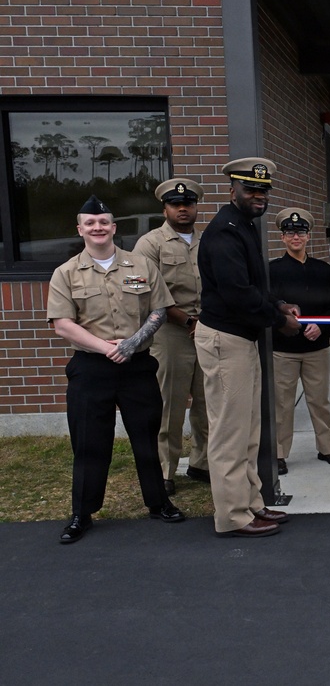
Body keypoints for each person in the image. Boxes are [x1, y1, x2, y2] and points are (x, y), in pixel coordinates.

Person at [47, 195, 185, 544]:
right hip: (91, 369)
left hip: (137, 366)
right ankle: (82, 513)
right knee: (90, 443)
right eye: (90, 223)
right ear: (80, 229)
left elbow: (159, 310)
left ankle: (159, 503)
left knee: (146, 438)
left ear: (114, 227)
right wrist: (107, 348)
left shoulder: (140, 266)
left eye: (104, 222)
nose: (98, 228)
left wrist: (133, 341)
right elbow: (62, 324)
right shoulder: (65, 273)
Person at [195, 157, 301, 538]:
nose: (259, 195)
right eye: (251, 189)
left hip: (242, 338)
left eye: (264, 190)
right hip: (226, 339)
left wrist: (278, 305)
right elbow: (237, 294)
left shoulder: (243, 226)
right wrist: (279, 321)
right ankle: (234, 516)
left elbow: (255, 286)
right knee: (229, 434)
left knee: (249, 431)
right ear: (233, 190)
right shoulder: (224, 232)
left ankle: (252, 502)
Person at [133, 178, 210, 497]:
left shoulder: (209, 242)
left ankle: (202, 463)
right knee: (170, 405)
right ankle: (165, 470)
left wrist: (206, 321)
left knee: (207, 403)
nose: (183, 208)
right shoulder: (149, 244)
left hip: (207, 330)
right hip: (170, 333)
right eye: (176, 204)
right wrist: (188, 320)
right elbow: (144, 291)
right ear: (164, 208)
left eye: (188, 203)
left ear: (195, 207)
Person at [269, 207, 330, 475]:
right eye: (289, 232)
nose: (295, 237)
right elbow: (267, 305)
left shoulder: (323, 270)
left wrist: (322, 328)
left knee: (319, 401)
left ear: (308, 236)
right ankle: (278, 453)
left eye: (300, 232)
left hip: (316, 348)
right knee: (282, 403)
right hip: (283, 350)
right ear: (282, 237)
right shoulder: (272, 270)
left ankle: (327, 448)